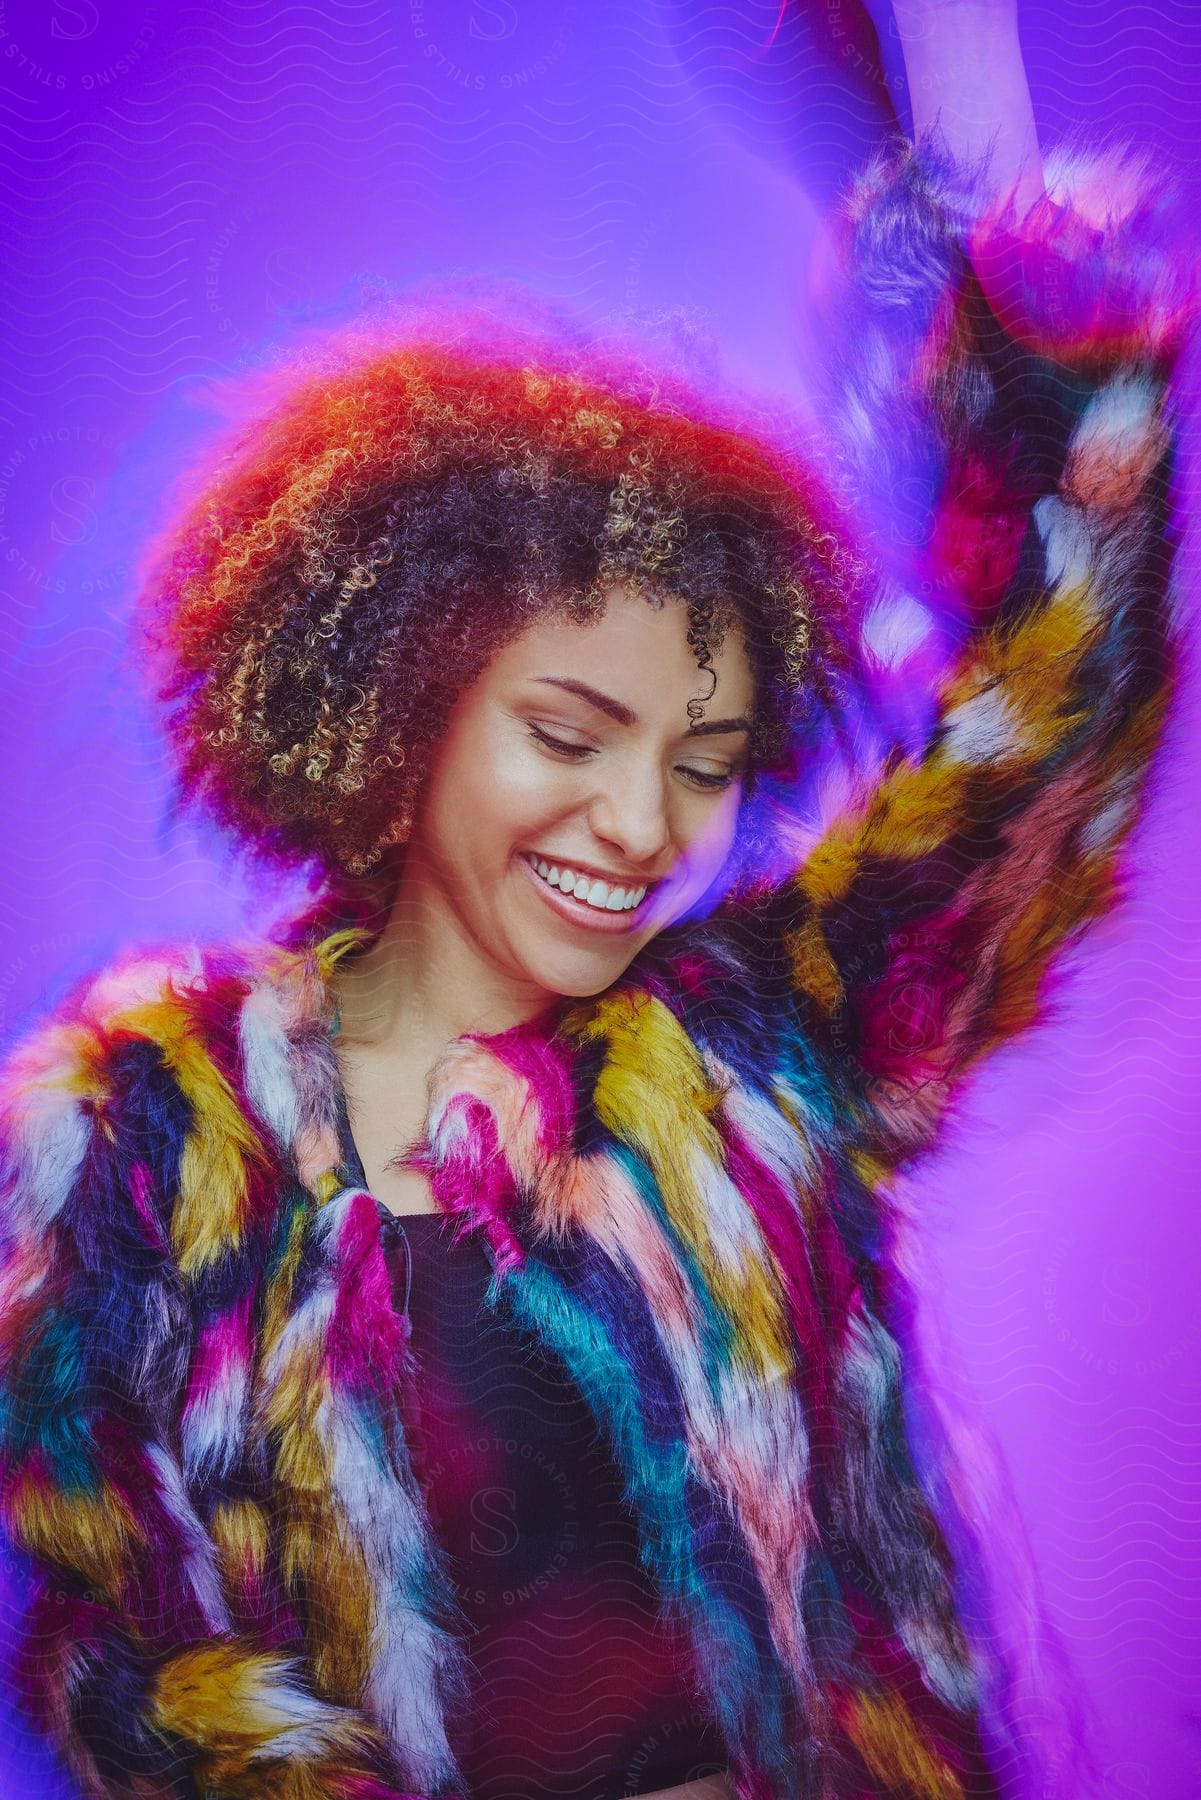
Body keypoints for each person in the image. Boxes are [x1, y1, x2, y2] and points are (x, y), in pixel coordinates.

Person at [0, 2, 1192, 1797]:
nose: (644, 825)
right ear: (390, 709)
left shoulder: (756, 1044)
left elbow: (1054, 723)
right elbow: (126, 1673)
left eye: (705, 761)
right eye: (570, 732)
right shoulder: (133, 1152)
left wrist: (999, 244)